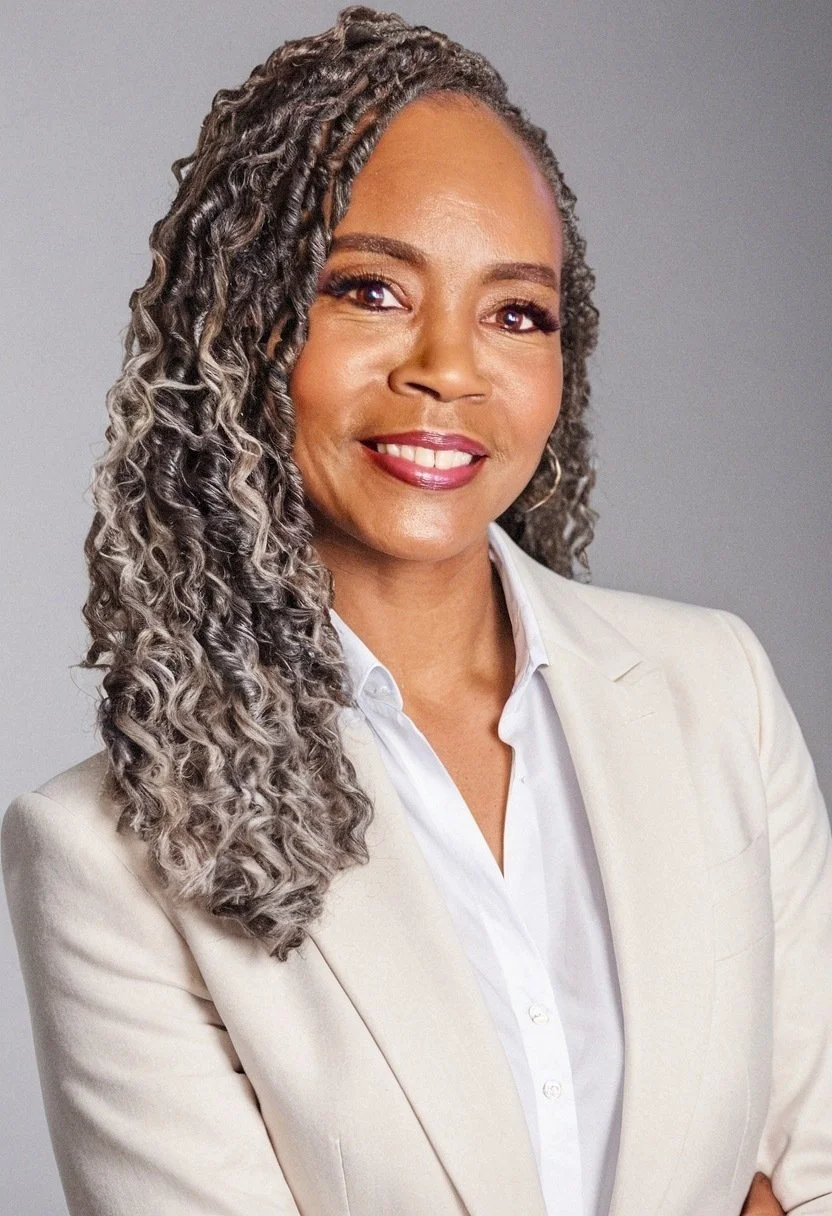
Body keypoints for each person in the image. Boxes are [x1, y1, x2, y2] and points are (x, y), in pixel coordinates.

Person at [2, 7, 829, 1215]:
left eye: (515, 312)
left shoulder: (718, 698)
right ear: (243, 330)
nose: (446, 366)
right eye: (369, 289)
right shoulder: (104, 858)